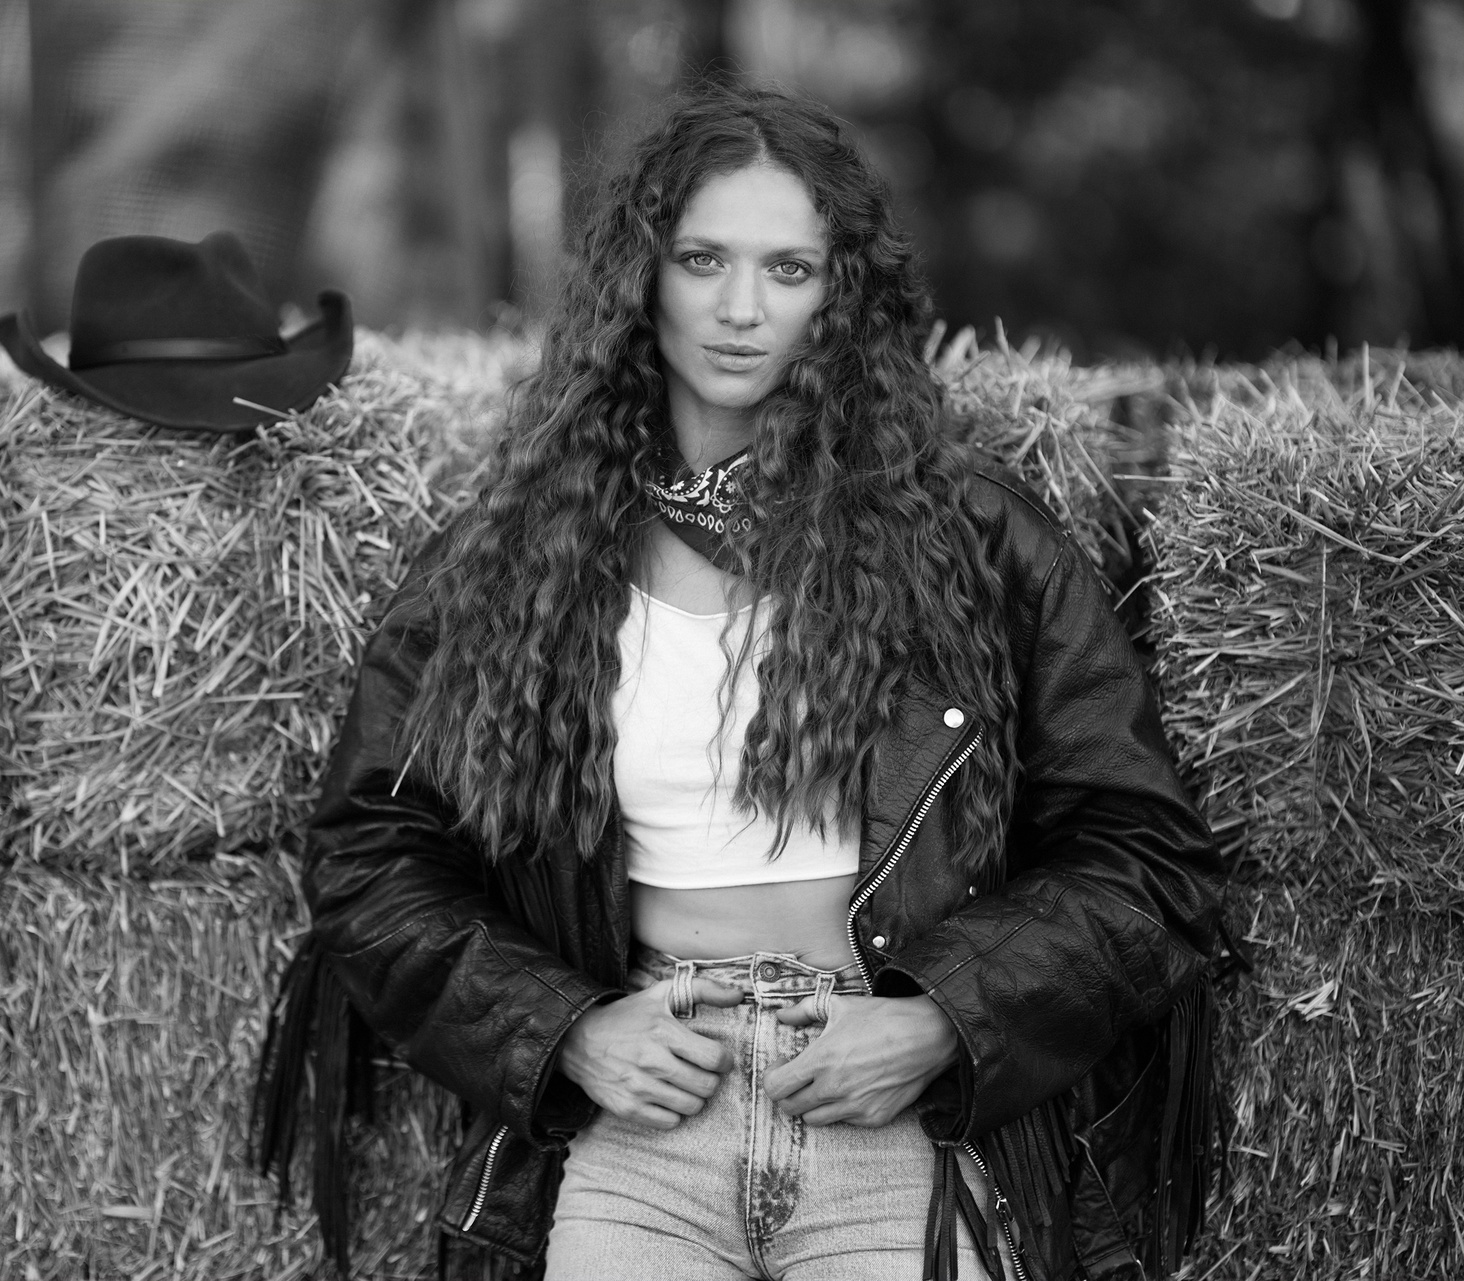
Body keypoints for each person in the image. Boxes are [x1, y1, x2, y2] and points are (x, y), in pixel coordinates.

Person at [256, 85, 1224, 1281]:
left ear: (842, 296)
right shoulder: (512, 558)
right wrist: (567, 1033)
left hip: (884, 1109)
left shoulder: (977, 546)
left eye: (790, 269)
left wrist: (944, 1022)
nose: (740, 309)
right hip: (648, 1115)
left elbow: (1145, 859)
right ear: (640, 277)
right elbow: (371, 853)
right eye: (702, 259)